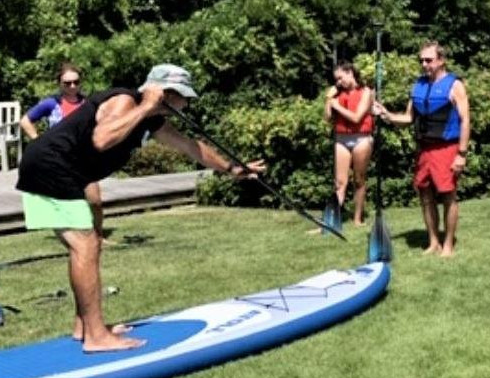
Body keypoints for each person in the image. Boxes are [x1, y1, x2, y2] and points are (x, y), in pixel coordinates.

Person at [15, 64, 265, 352]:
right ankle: (96, 337)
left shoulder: (150, 120)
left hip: (58, 169)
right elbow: (102, 139)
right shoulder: (125, 102)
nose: (186, 104)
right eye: (184, 98)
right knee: (85, 245)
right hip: (50, 167)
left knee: (87, 245)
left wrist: (231, 168)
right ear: (166, 93)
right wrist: (145, 107)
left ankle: (85, 326)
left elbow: (189, 146)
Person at [373, 41, 470, 257]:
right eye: (422, 60)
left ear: (441, 60)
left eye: (429, 60)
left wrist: (461, 154)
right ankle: (433, 241)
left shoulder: (455, 86)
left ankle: (448, 245)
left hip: (447, 148)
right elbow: (408, 118)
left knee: (448, 196)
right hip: (424, 149)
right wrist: (386, 115)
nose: (424, 64)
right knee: (425, 195)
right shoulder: (418, 86)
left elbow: (465, 121)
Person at [19, 63, 108, 238]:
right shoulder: (51, 103)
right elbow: (25, 121)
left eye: (76, 82)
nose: (72, 86)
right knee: (65, 202)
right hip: (59, 161)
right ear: (59, 83)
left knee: (95, 201)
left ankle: (98, 236)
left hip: (84, 161)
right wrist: (39, 142)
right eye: (67, 83)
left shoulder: (88, 104)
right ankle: (72, 237)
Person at [324, 61, 374, 226]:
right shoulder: (337, 94)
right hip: (341, 139)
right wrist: (328, 99)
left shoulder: (366, 92)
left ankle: (357, 219)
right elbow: (327, 118)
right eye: (336, 80)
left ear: (350, 73)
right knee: (339, 182)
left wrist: (337, 106)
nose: (338, 82)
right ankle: (332, 220)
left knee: (359, 180)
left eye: (340, 78)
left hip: (361, 138)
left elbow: (357, 117)